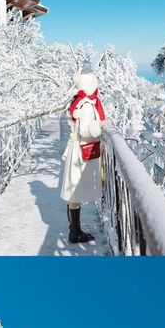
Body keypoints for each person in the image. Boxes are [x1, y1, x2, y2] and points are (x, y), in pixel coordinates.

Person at [60, 72, 107, 244]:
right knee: (75, 191)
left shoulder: (80, 102)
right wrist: (101, 125)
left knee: (74, 193)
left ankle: (75, 231)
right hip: (81, 152)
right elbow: (86, 130)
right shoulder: (87, 105)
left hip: (76, 149)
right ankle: (75, 233)